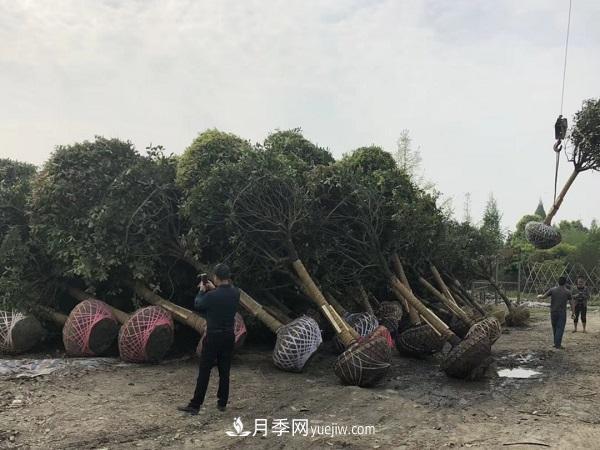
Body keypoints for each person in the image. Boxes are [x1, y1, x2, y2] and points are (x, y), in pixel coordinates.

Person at [178, 263, 240, 415]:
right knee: (225, 371)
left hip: (213, 336)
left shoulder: (211, 296)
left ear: (216, 277)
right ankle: (222, 402)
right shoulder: (236, 293)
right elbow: (224, 294)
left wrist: (201, 290)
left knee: (204, 371)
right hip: (229, 336)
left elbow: (198, 304)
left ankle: (195, 405)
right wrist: (214, 288)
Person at [538, 276, 571, 349]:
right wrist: (573, 312)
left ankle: (556, 343)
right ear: (565, 283)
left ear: (558, 282)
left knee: (555, 328)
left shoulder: (552, 290)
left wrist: (539, 296)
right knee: (560, 328)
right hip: (562, 312)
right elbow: (572, 302)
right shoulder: (567, 292)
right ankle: (557, 344)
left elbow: (544, 297)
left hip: (553, 312)